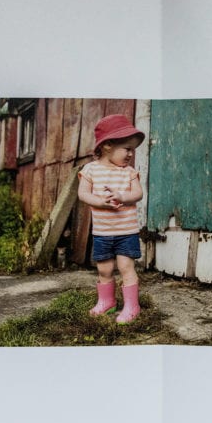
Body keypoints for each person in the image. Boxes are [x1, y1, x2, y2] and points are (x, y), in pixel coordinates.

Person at [77, 114, 145, 324]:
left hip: (126, 231)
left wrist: (122, 197)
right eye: (127, 148)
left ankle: (132, 306)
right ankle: (107, 302)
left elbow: (138, 194)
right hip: (102, 232)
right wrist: (100, 202)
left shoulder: (129, 172)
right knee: (104, 269)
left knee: (126, 267)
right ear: (107, 146)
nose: (131, 154)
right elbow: (83, 194)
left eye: (133, 150)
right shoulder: (90, 170)